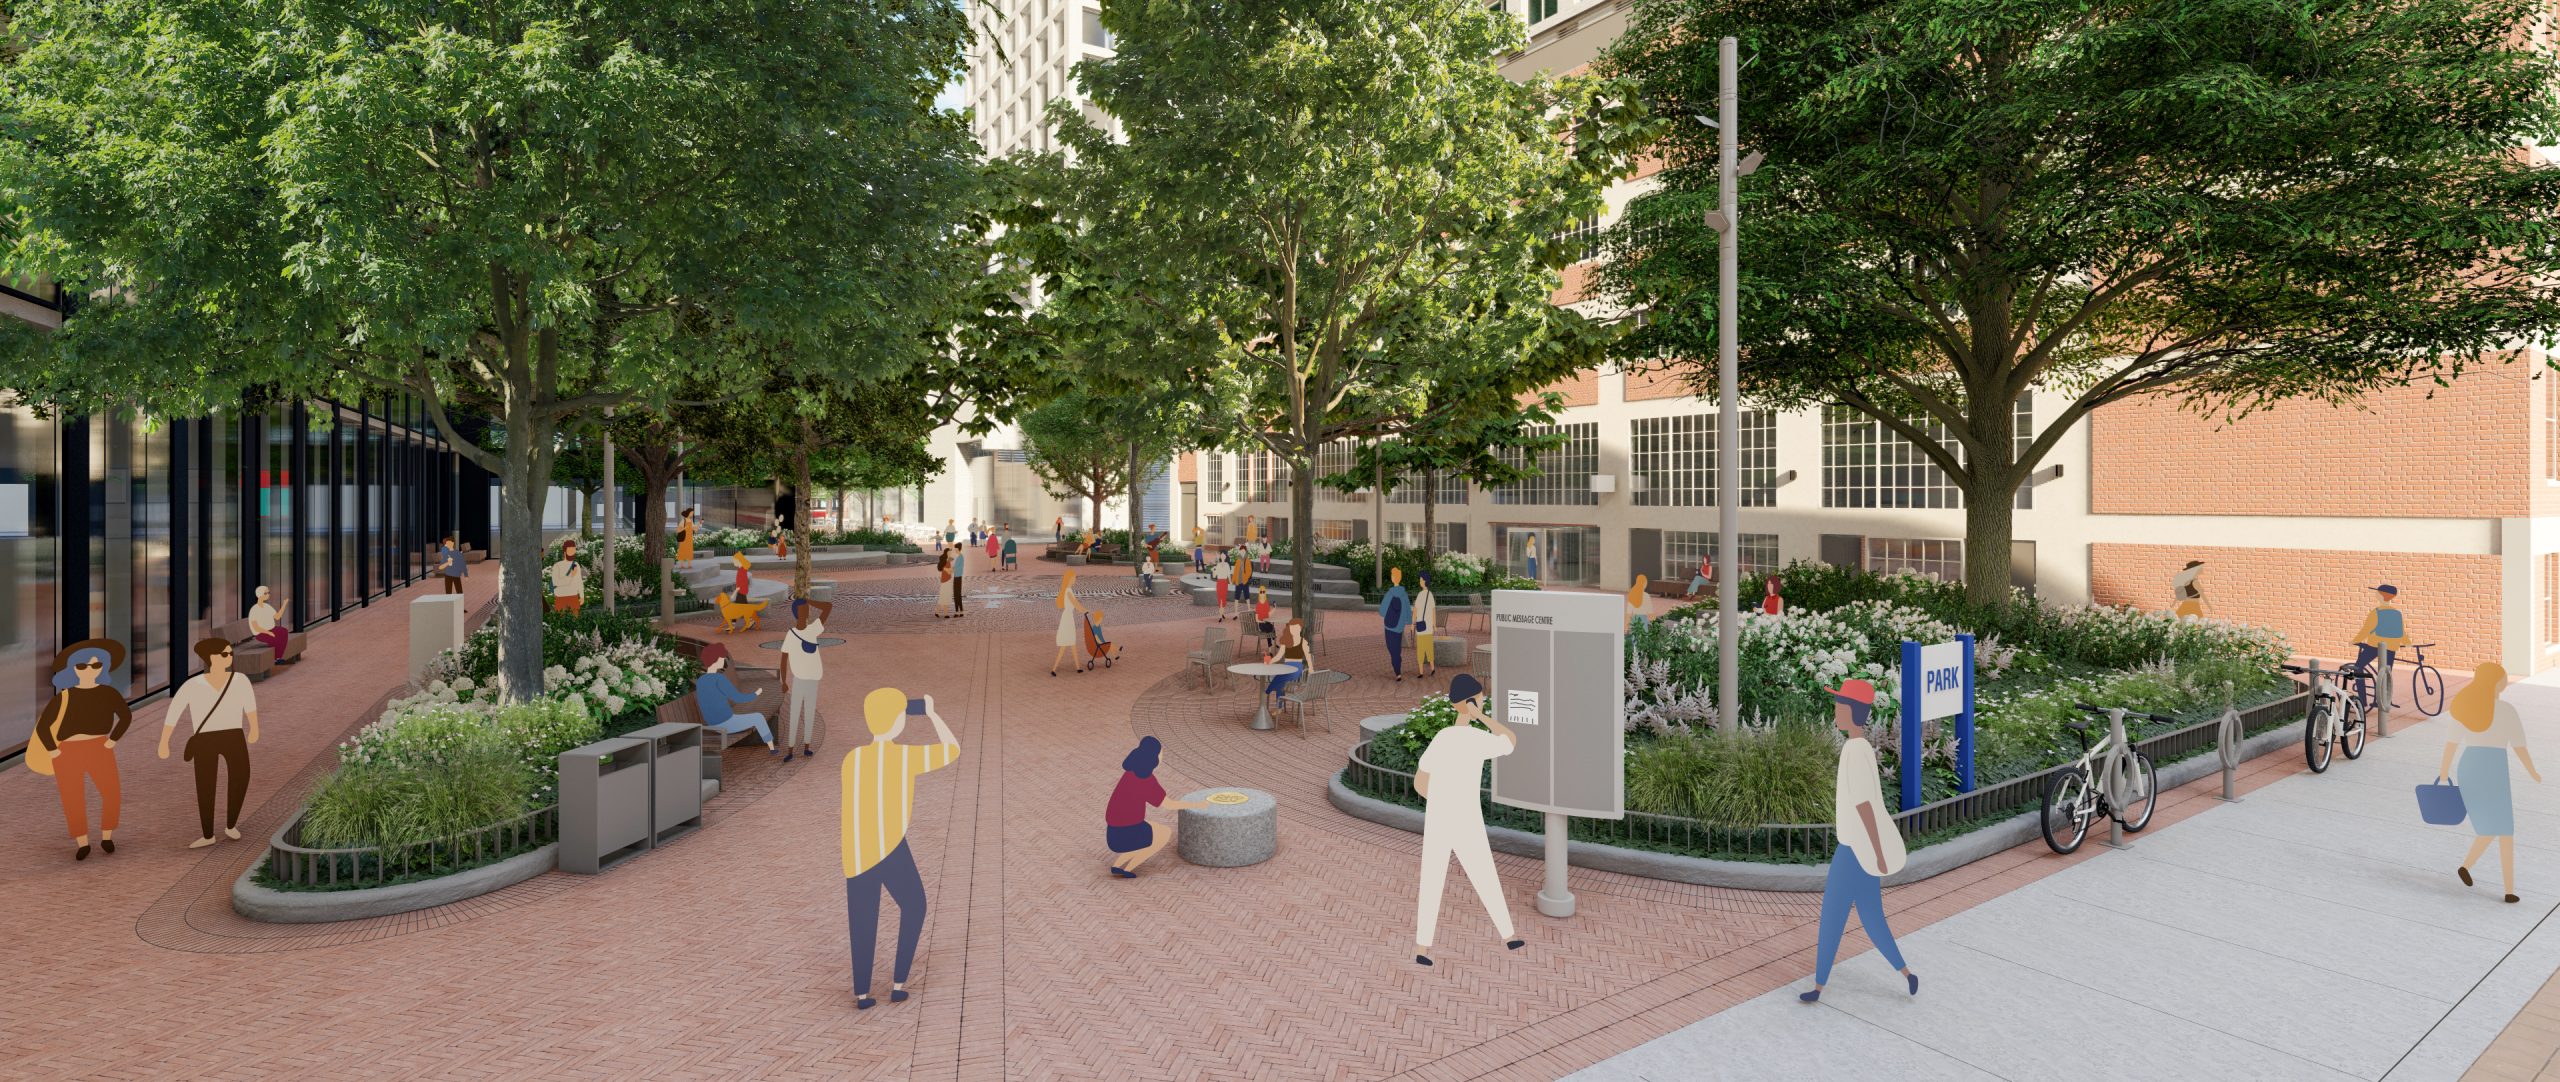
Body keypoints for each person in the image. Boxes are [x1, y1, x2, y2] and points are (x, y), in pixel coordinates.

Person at [1800, 678, 1919, 1003]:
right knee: (1871, 916)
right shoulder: (1863, 747)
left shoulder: (1853, 751)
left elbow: (1866, 805)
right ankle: (1906, 973)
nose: (1835, 711)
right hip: (1862, 849)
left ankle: (1819, 987)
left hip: (1854, 849)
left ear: (1852, 711)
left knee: (1832, 917)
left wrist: (1878, 853)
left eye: (1839, 705)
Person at [842, 688, 960, 1010]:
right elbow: (952, 749)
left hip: (857, 852)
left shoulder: (853, 759)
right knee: (915, 906)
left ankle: (863, 993)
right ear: (896, 721)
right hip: (891, 846)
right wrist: (933, 713)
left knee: (863, 920)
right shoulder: (904, 756)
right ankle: (897, 983)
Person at [1413, 673, 1522, 966]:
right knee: (1484, 873)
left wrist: (1438, 800)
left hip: (1439, 814)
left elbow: (1420, 782)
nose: (1484, 700)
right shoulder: (1476, 739)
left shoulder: (1443, 737)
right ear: (1471, 702)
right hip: (1466, 816)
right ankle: (1508, 936)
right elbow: (1510, 740)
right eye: (1481, 697)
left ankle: (1422, 948)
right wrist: (1482, 716)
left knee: (1432, 877)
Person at [2441, 661, 2540, 903]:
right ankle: (2509, 890)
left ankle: (2466, 866)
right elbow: (2520, 747)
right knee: (2505, 830)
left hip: (2470, 765)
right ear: (2496, 683)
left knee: (2491, 827)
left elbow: (2451, 744)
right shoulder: (2506, 710)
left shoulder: (2464, 707)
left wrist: (2444, 773)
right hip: (2494, 768)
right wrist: (2532, 771)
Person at [36, 639, 132, 861]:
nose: (89, 671)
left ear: (103, 668)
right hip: (67, 751)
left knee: (111, 793)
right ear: (73, 669)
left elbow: (125, 716)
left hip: (99, 747)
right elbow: (43, 726)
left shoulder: (108, 693)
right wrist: (53, 751)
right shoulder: (65, 696)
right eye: (82, 666)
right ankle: (82, 842)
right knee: (72, 797)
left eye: (96, 665)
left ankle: (107, 836)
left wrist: (112, 740)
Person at [159, 637, 260, 847]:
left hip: (234, 735)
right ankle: (207, 834)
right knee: (205, 784)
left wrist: (254, 727)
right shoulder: (193, 684)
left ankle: (231, 824)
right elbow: (174, 711)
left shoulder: (239, 679)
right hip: (205, 738)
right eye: (224, 654)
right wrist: (164, 741)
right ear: (211, 658)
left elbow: (249, 705)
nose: (229, 657)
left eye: (230, 653)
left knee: (241, 777)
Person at [1105, 736, 1214, 878]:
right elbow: (1169, 804)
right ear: (1154, 757)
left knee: (1155, 827)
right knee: (1164, 834)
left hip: (1113, 832)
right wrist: (1197, 804)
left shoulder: (1130, 773)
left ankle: (1117, 865)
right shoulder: (1146, 780)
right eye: (1161, 752)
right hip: (1126, 832)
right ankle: (1128, 868)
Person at [693, 645, 775, 754]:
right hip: (724, 725)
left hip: (711, 724)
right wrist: (756, 694)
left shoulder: (701, 681)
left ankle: (772, 747)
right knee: (758, 717)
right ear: (716, 659)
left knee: (747, 717)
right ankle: (772, 748)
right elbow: (738, 698)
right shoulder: (719, 679)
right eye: (722, 658)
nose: (723, 660)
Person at [781, 600, 829, 761]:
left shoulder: (812, 630)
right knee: (794, 713)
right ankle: (790, 750)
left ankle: (807, 747)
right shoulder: (791, 634)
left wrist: (809, 600)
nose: (806, 613)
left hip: (813, 679)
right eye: (803, 610)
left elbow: (827, 607)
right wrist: (784, 681)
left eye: (807, 610)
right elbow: (783, 658)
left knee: (809, 713)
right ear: (796, 613)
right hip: (799, 680)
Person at [2352, 584, 2408, 709]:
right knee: (2385, 673)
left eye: (2378, 592)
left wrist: (2355, 641)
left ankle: (2362, 700)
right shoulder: (2396, 613)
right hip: (2392, 646)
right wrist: (2408, 643)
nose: (2376, 594)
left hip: (2374, 646)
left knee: (2358, 667)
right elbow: (2401, 632)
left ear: (2382, 595)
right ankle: (2381, 700)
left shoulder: (2376, 612)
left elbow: (2366, 630)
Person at [1265, 618, 1311, 712]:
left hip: (1297, 667)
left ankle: (1267, 691)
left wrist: (1311, 669)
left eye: (1297, 629)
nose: (1295, 631)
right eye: (1293, 628)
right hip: (1286, 666)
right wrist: (1270, 661)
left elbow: (1308, 657)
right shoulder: (1285, 642)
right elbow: (1278, 656)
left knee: (1279, 679)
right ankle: (1279, 707)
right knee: (1280, 684)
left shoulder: (1303, 642)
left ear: (1300, 629)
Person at [1050, 570, 1085, 677]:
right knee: (1066, 645)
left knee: (1071, 643)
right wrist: (1085, 610)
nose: (1075, 579)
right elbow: (1076, 604)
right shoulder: (1068, 591)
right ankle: (1054, 668)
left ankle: (1078, 667)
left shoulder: (1067, 590)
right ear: (1070, 579)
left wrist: (1082, 609)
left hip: (1068, 618)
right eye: (1074, 577)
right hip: (1068, 619)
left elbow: (1075, 604)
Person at [1380, 566, 1412, 682]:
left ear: (1393, 578)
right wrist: (1407, 621)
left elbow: (1382, 610)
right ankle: (1397, 664)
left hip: (1389, 625)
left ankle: (1397, 669)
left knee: (1391, 647)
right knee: (1397, 647)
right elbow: (1408, 609)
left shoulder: (1390, 593)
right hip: (1399, 626)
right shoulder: (1404, 595)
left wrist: (1385, 613)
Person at [246, 585, 292, 657]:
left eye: (268, 592)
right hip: (261, 633)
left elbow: (277, 617)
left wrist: (284, 604)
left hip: (271, 629)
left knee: (284, 631)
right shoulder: (254, 609)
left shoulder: (267, 606)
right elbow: (256, 628)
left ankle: (278, 657)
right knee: (277, 638)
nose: (268, 594)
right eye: (265, 593)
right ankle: (276, 657)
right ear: (260, 595)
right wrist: (268, 632)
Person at [549, 540, 587, 616]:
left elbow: (579, 581)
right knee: (561, 620)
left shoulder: (576, 564)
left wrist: (582, 596)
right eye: (570, 549)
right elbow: (556, 582)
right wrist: (571, 576)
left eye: (574, 549)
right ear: (565, 551)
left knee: (575, 620)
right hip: (561, 598)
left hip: (573, 597)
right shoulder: (557, 566)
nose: (573, 552)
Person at [1413, 574, 1439, 678]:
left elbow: (1415, 610)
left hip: (1420, 627)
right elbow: (1433, 611)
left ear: (1424, 581)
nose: (1420, 581)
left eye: (1420, 580)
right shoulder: (1430, 594)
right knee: (1429, 648)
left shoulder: (1420, 595)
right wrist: (1434, 624)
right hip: (1428, 627)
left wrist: (1412, 623)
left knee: (1420, 649)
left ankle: (1421, 672)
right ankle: (1432, 668)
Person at [933, 548, 957, 618]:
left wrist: (952, 568)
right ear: (946, 552)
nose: (950, 553)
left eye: (950, 552)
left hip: (946, 580)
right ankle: (946, 614)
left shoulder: (947, 560)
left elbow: (949, 570)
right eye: (949, 552)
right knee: (945, 596)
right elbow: (949, 571)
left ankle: (937, 612)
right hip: (946, 580)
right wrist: (954, 568)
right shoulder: (946, 561)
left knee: (943, 596)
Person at [1253, 585, 1277, 653]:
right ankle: (1272, 644)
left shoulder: (1266, 603)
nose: (1262, 593)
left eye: (1264, 592)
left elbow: (1268, 615)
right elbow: (1256, 619)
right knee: (1270, 630)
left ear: (1265, 593)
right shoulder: (1258, 605)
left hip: (1267, 622)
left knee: (1271, 628)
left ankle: (1271, 648)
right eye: (1261, 592)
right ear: (1259, 593)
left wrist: (1274, 608)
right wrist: (1262, 621)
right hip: (1261, 624)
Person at [949, 540, 968, 617]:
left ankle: (959, 611)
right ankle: (959, 611)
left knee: (957, 595)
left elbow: (958, 567)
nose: (954, 550)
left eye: (955, 549)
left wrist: (951, 569)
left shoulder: (960, 557)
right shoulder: (959, 557)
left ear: (958, 549)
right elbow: (956, 567)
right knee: (956, 595)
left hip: (958, 577)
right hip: (956, 577)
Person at [1212, 557, 1233, 621]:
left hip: (1224, 582)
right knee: (1219, 598)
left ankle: (1221, 614)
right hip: (1219, 582)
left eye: (1224, 554)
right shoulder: (1218, 565)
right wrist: (1214, 570)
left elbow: (1228, 574)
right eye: (1221, 554)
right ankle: (1221, 615)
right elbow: (1214, 576)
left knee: (1223, 598)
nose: (1222, 555)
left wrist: (1230, 582)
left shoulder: (1227, 564)